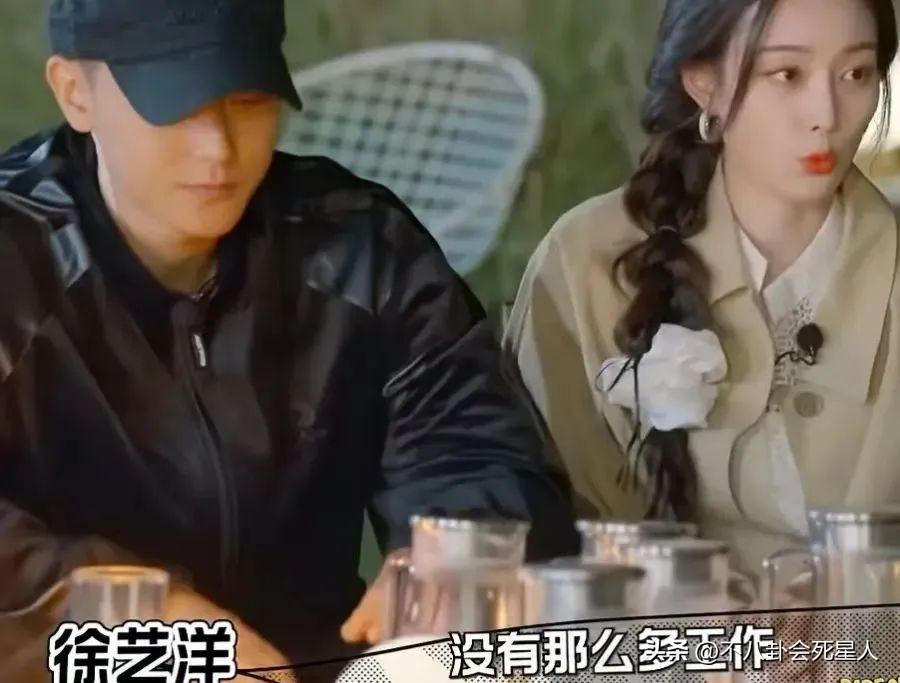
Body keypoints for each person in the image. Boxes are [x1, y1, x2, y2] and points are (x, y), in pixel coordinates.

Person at [0, 0, 579, 677]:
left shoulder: (361, 250)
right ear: (75, 91)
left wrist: (459, 552)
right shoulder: (15, 260)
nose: (218, 149)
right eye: (174, 105)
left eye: (247, 102)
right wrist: (131, 617)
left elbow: (476, 452)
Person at [504, 0, 899, 588]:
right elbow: (534, 541)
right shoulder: (586, 261)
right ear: (704, 83)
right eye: (787, 74)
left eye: (856, 74)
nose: (826, 114)